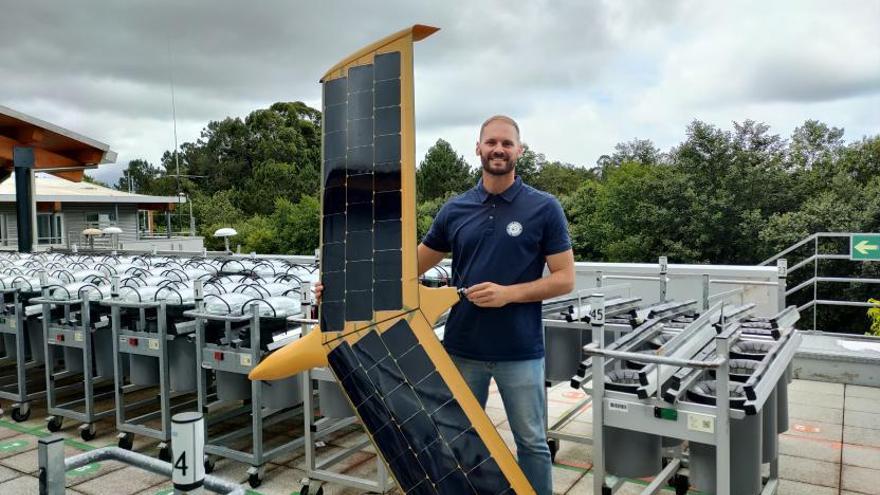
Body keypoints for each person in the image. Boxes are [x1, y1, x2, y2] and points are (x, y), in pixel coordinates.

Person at [318, 115, 575, 495]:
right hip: (461, 350)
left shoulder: (544, 207)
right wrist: (341, 287)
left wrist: (508, 293)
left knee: (532, 443)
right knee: (456, 441)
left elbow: (564, 278)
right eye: (491, 142)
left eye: (506, 143)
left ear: (519, 151)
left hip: (520, 352)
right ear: (478, 148)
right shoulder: (456, 210)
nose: (498, 149)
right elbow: (404, 271)